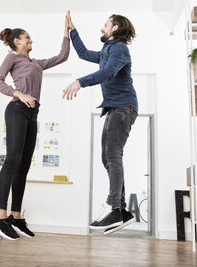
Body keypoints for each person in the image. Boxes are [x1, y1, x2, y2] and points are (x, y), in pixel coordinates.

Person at [0, 12, 71, 240]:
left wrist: (67, 31)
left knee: (24, 165)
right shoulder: (12, 58)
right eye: (27, 38)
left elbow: (63, 56)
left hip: (32, 114)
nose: (31, 41)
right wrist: (18, 93)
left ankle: (16, 217)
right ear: (17, 41)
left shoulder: (36, 63)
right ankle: (0, 216)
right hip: (16, 109)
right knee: (12, 161)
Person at [62, 12, 138, 235]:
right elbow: (84, 53)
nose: (102, 28)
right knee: (107, 157)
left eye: (105, 25)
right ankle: (122, 211)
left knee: (113, 155)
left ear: (115, 28)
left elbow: (106, 73)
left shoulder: (120, 49)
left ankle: (114, 207)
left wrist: (79, 82)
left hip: (124, 107)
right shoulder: (107, 50)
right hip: (114, 108)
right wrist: (72, 30)